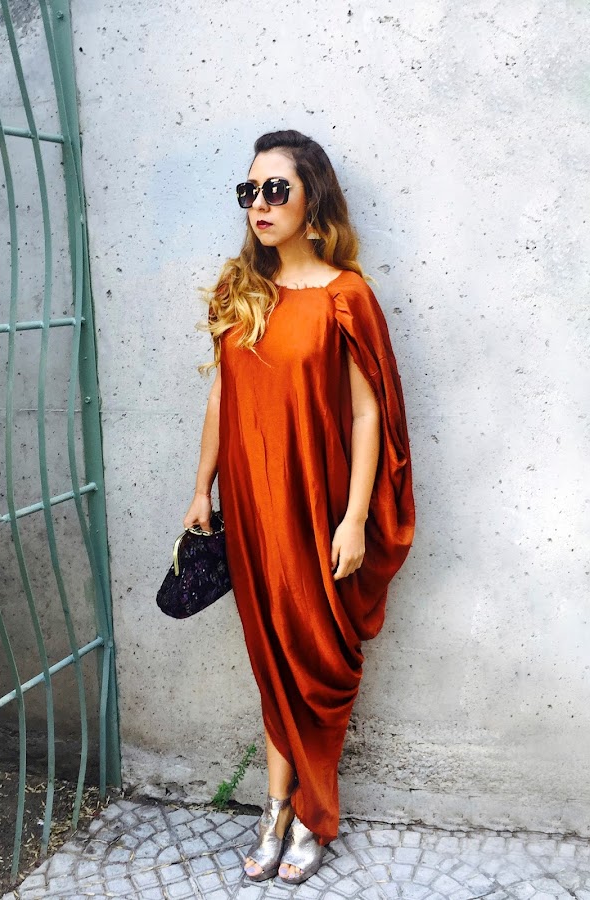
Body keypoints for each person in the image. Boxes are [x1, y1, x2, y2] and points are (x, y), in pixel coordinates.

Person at [183, 129, 415, 884]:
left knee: (314, 662)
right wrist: (201, 489)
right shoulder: (240, 290)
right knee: (273, 662)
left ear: (312, 199)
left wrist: (354, 519)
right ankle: (279, 808)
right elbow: (222, 396)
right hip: (252, 509)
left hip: (316, 509)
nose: (259, 203)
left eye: (275, 189)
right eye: (248, 190)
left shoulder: (347, 297)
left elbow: (367, 414)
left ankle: (309, 812)